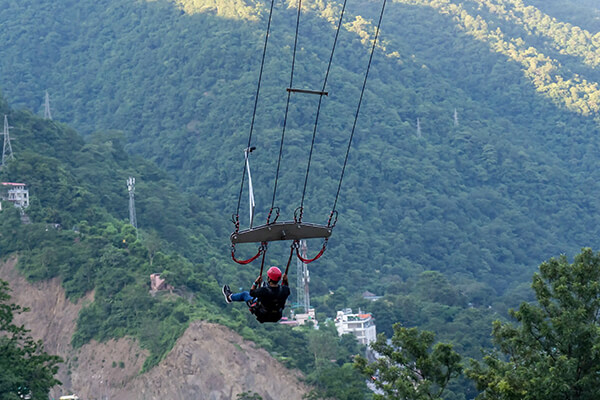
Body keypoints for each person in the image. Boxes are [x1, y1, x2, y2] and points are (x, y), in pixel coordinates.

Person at [222, 266, 290, 323]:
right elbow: (286, 288)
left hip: (263, 314)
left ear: (269, 279)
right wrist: (286, 281)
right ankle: (266, 286)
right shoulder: (284, 290)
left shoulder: (264, 291)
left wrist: (256, 283)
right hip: (276, 316)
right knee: (267, 294)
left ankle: (229, 297)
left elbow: (251, 293)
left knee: (245, 294)